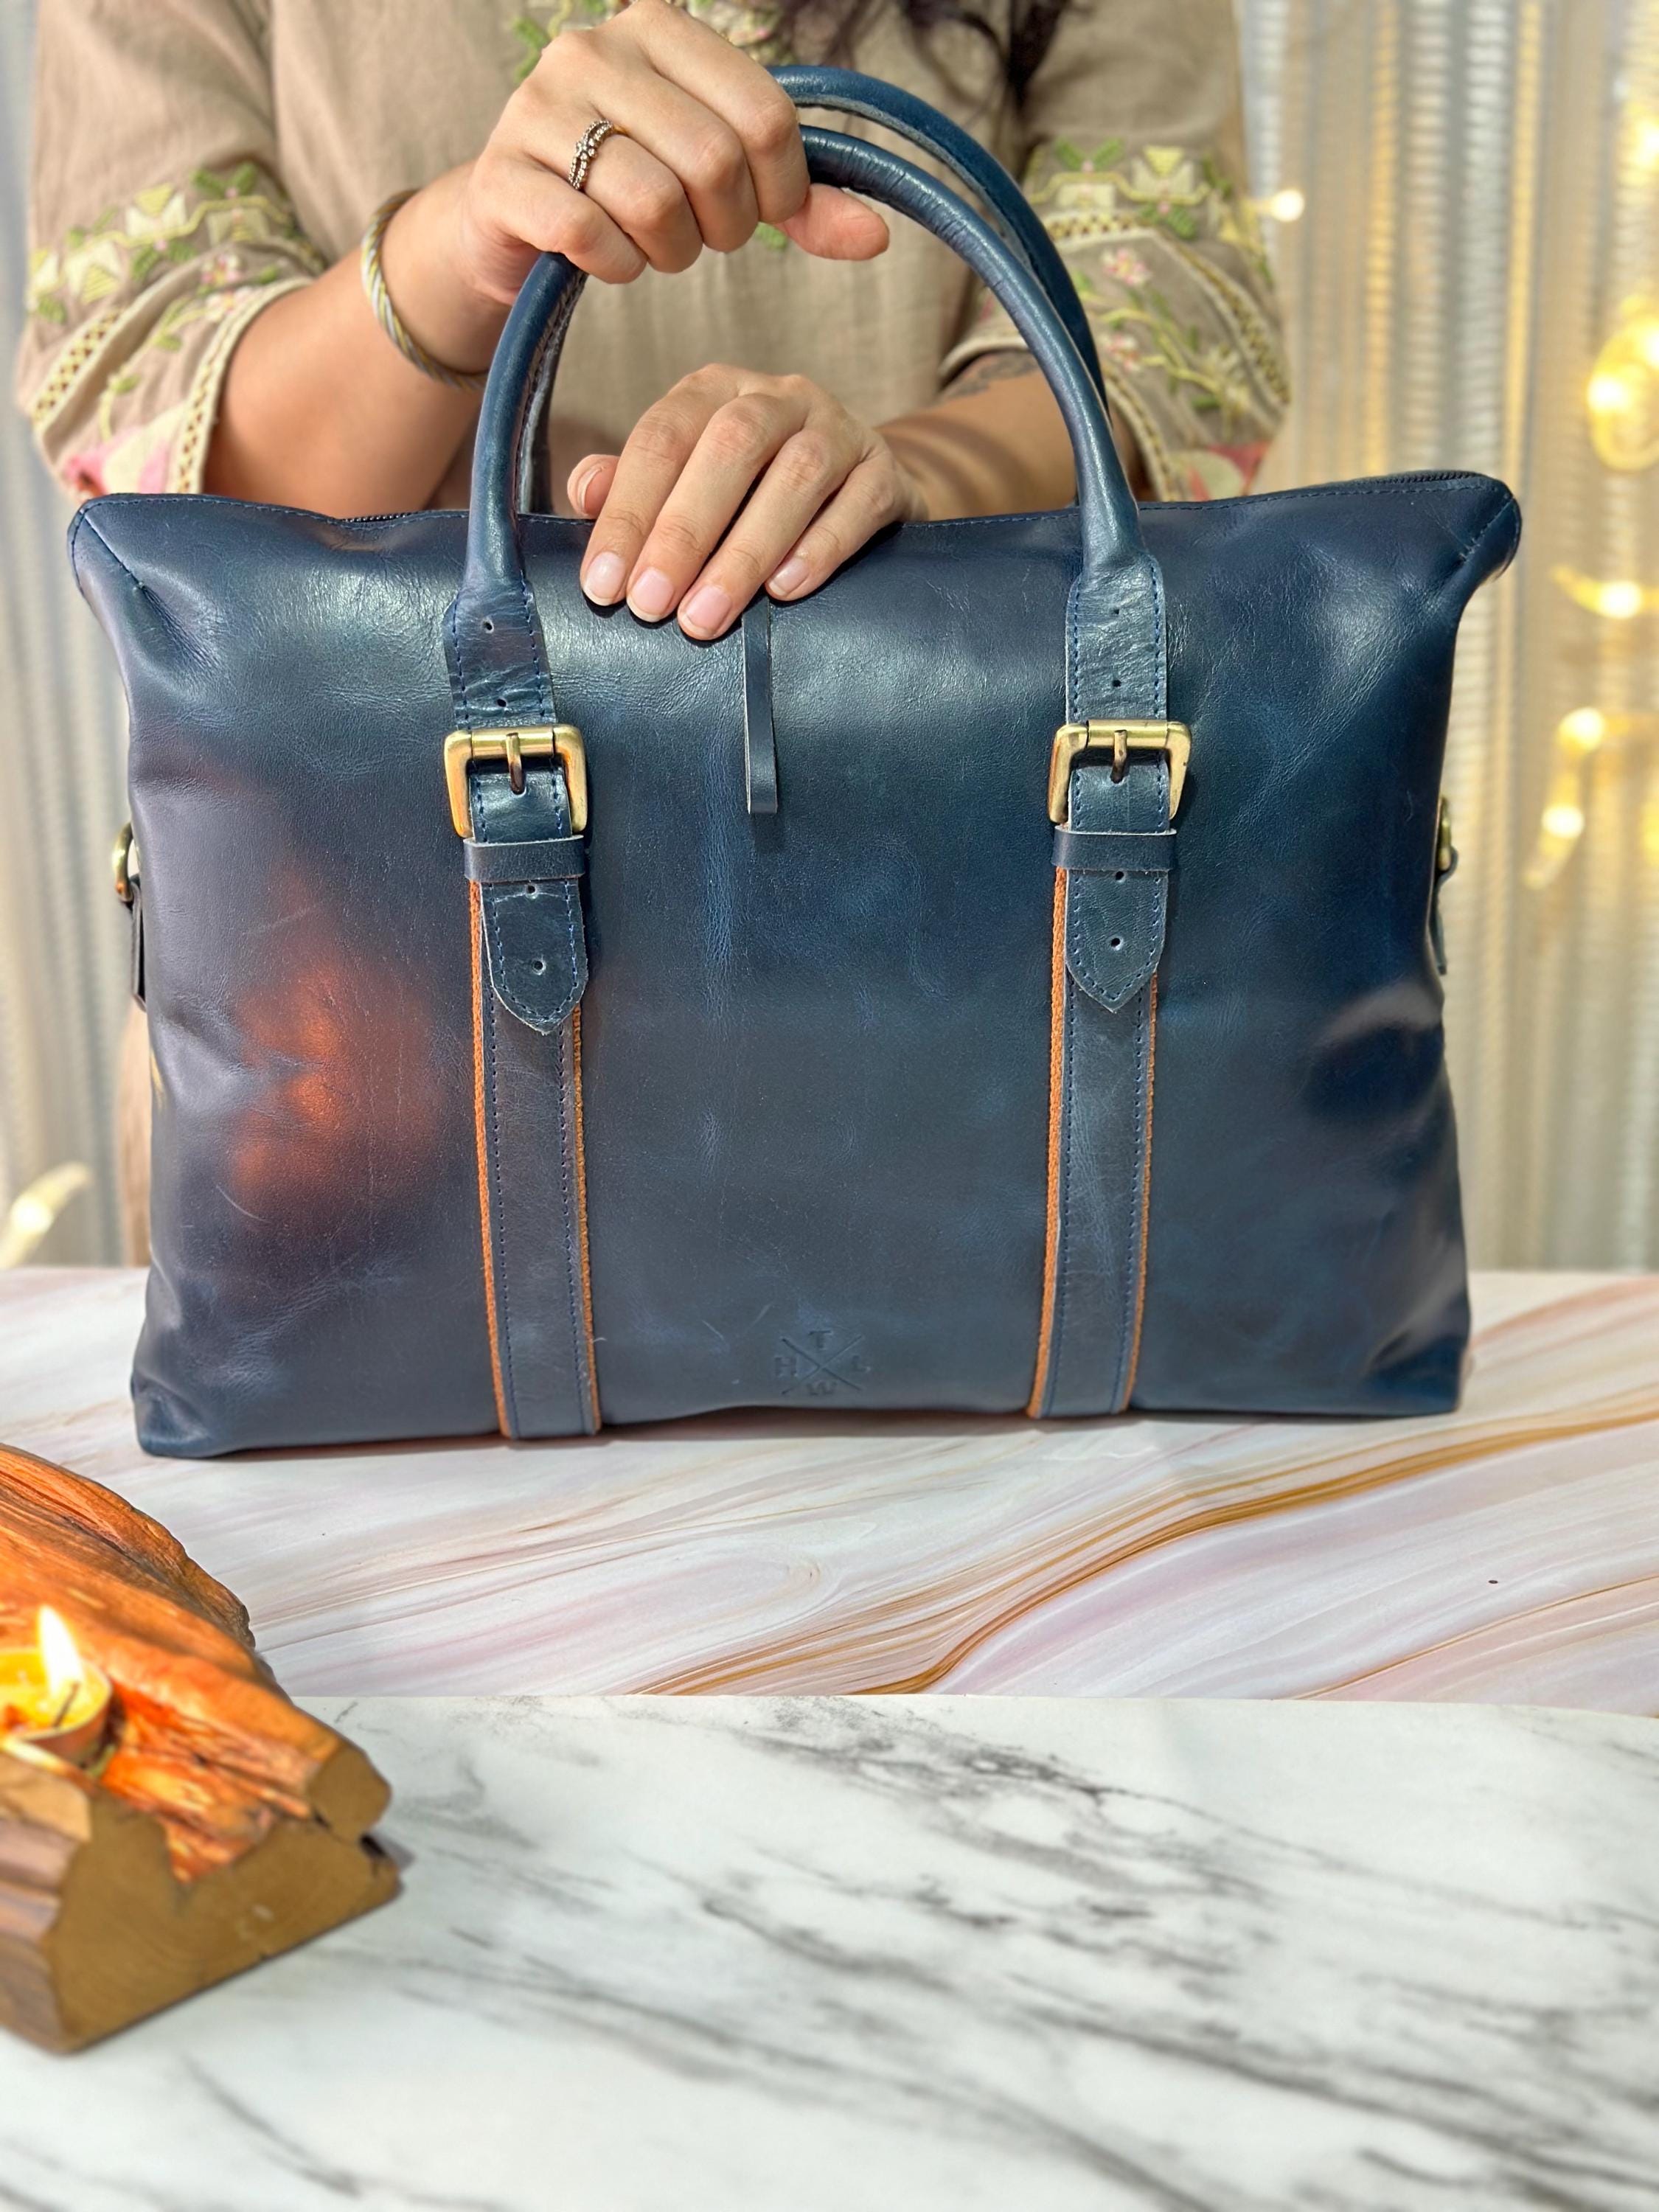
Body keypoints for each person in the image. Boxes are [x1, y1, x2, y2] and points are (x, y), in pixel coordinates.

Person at [18, 0, 1286, 1250]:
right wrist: (464, 250)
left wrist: (897, 479)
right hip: (368, 1003)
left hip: (987, 953)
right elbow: (177, 488)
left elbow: (1162, 333)